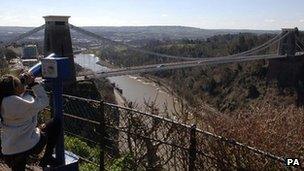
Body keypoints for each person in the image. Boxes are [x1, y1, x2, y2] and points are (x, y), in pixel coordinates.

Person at [0, 73, 61, 170]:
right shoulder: (20, 103)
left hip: (8, 150)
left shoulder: (3, 101)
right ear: (15, 88)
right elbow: (44, 101)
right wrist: (33, 84)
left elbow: (16, 99)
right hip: (29, 145)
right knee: (55, 124)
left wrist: (20, 84)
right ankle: (47, 157)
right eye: (20, 83)